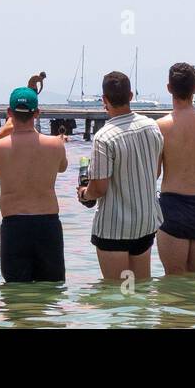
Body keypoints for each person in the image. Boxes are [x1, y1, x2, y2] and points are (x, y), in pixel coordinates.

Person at [0, 83, 68, 284]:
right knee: (52, 290)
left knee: (16, 292)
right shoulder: (56, 144)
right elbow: (62, 167)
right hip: (48, 224)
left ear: (9, 113)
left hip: (14, 226)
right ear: (37, 113)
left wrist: (0, 135)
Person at [79, 70, 164, 283]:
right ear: (131, 96)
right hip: (144, 222)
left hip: (114, 228)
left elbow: (99, 189)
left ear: (104, 100)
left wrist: (84, 194)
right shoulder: (152, 127)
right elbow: (156, 172)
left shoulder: (104, 137)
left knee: (118, 295)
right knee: (141, 289)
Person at [155, 62, 195, 275]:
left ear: (168, 88)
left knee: (173, 282)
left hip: (172, 205)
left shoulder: (161, 127)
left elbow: (155, 173)